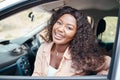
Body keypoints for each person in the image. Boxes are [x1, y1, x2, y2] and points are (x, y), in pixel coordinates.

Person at [32, 6, 111, 76]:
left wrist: (103, 74)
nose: (60, 29)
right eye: (59, 23)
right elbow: (36, 75)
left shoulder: (83, 56)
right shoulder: (43, 48)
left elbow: (112, 64)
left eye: (69, 28)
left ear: (77, 34)